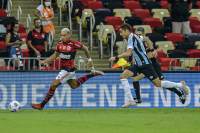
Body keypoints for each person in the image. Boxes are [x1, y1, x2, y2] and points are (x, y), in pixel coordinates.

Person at [109, 24, 189, 108]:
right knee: (123, 76)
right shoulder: (136, 37)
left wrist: (116, 57)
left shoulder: (131, 38)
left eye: (121, 32)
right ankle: (132, 100)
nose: (120, 34)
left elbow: (129, 52)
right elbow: (146, 40)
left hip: (146, 65)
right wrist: (151, 50)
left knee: (158, 84)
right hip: (138, 65)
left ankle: (180, 85)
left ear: (127, 31)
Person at [32, 28, 104, 110]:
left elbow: (85, 49)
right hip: (68, 70)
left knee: (53, 85)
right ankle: (92, 74)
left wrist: (90, 60)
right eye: (61, 35)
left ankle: (41, 105)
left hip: (68, 70)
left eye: (64, 35)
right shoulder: (59, 44)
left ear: (69, 35)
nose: (62, 37)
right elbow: (55, 55)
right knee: (74, 85)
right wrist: (45, 61)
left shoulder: (74, 44)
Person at [132, 27, 187, 104]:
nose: (138, 36)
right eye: (137, 34)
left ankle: (180, 91)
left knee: (160, 83)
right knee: (137, 79)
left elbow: (152, 55)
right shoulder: (137, 43)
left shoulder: (147, 43)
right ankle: (138, 98)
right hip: (146, 66)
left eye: (140, 34)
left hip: (153, 65)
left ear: (144, 34)